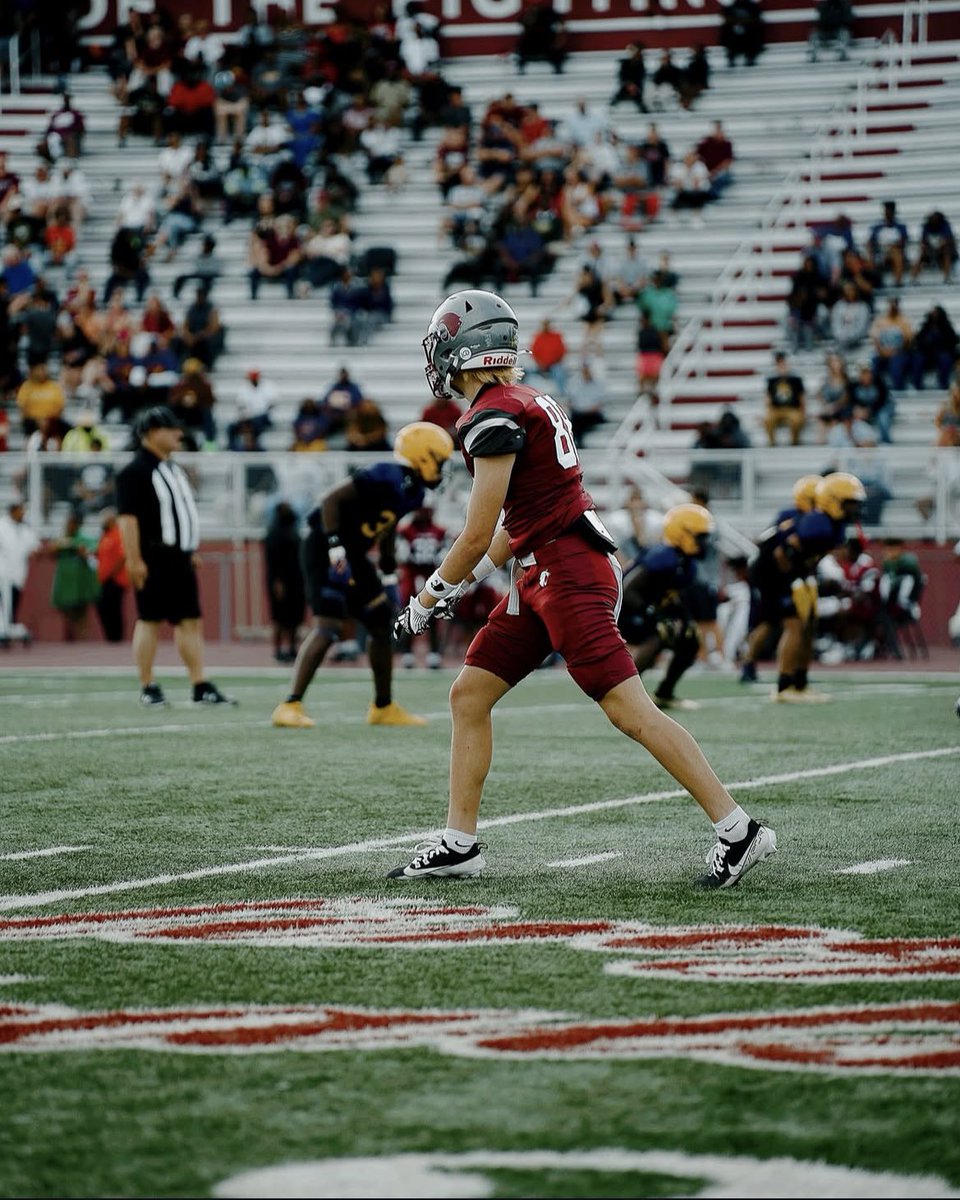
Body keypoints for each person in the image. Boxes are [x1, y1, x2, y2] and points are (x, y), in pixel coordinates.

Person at [388, 290, 777, 889]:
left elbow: (475, 533)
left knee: (629, 709)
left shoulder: (492, 414)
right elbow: (515, 529)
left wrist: (424, 597)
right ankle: (460, 843)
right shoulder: (526, 400)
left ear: (466, 349)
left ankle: (738, 829)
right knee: (469, 693)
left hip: (566, 574)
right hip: (544, 569)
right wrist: (457, 588)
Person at [270, 422, 455, 731]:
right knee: (328, 625)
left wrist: (387, 572)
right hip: (323, 546)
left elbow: (386, 527)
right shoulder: (386, 473)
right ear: (422, 457)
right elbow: (331, 500)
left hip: (353, 555)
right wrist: (333, 546)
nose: (441, 468)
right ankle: (289, 704)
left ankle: (382, 706)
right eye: (438, 460)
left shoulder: (413, 492)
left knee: (382, 621)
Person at [115, 405, 235, 708]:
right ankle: (147, 684)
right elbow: (128, 519)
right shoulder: (134, 472)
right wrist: (134, 558)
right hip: (153, 556)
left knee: (190, 620)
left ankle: (199, 684)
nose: (179, 434)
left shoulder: (172, 467)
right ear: (153, 433)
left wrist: (188, 549)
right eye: (172, 429)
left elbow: (179, 514)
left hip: (179, 557)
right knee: (150, 619)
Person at [744, 472, 865, 701]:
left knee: (809, 624)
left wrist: (806, 576)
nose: (854, 509)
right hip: (773, 575)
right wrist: (794, 581)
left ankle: (800, 682)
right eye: (850, 503)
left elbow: (811, 556)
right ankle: (784, 685)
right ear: (833, 500)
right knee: (795, 625)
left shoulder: (831, 523)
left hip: (793, 573)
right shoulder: (816, 522)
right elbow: (783, 554)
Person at [617, 504, 715, 711]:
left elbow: (671, 596)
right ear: (682, 533)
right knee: (659, 635)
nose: (704, 543)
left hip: (644, 608)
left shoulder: (686, 562)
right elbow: (628, 589)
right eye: (700, 536)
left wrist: (683, 618)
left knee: (689, 639)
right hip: (624, 607)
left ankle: (664, 693)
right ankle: (624, 694)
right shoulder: (663, 555)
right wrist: (654, 615)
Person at [264, 501, 305, 664]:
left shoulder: (294, 531)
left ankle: (292, 648)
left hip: (296, 580)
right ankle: (278, 649)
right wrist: (277, 581)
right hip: (281, 581)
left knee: (295, 617)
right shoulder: (273, 534)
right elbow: (272, 561)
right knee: (279, 617)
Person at [50, 510, 99, 642]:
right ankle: (70, 635)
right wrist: (61, 545)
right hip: (65, 580)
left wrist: (81, 549)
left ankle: (83, 636)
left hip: (80, 581)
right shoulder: (61, 538)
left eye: (72, 523)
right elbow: (51, 551)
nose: (69, 525)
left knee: (81, 610)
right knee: (66, 610)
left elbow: (92, 550)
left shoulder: (83, 537)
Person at [0, 500, 41, 629]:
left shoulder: (25, 529)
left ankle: (8, 629)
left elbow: (35, 547)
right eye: (20, 510)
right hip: (2, 572)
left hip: (18, 574)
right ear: (13, 511)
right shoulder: (2, 526)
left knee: (13, 604)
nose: (23, 513)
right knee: (3, 604)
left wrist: (34, 552)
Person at [95, 508, 129, 643]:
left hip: (115, 579)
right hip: (104, 579)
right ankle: (110, 637)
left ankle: (116, 637)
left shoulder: (118, 534)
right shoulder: (105, 535)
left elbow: (122, 556)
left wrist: (112, 573)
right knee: (104, 608)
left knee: (114, 609)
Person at [764, 351, 807, 446]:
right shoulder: (772, 379)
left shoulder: (796, 379)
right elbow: (768, 398)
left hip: (792, 409)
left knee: (796, 420)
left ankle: (794, 442)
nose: (782, 365)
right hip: (776, 410)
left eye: (783, 362)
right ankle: (772, 443)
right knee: (768, 420)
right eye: (779, 362)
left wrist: (803, 413)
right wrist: (768, 411)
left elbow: (802, 397)